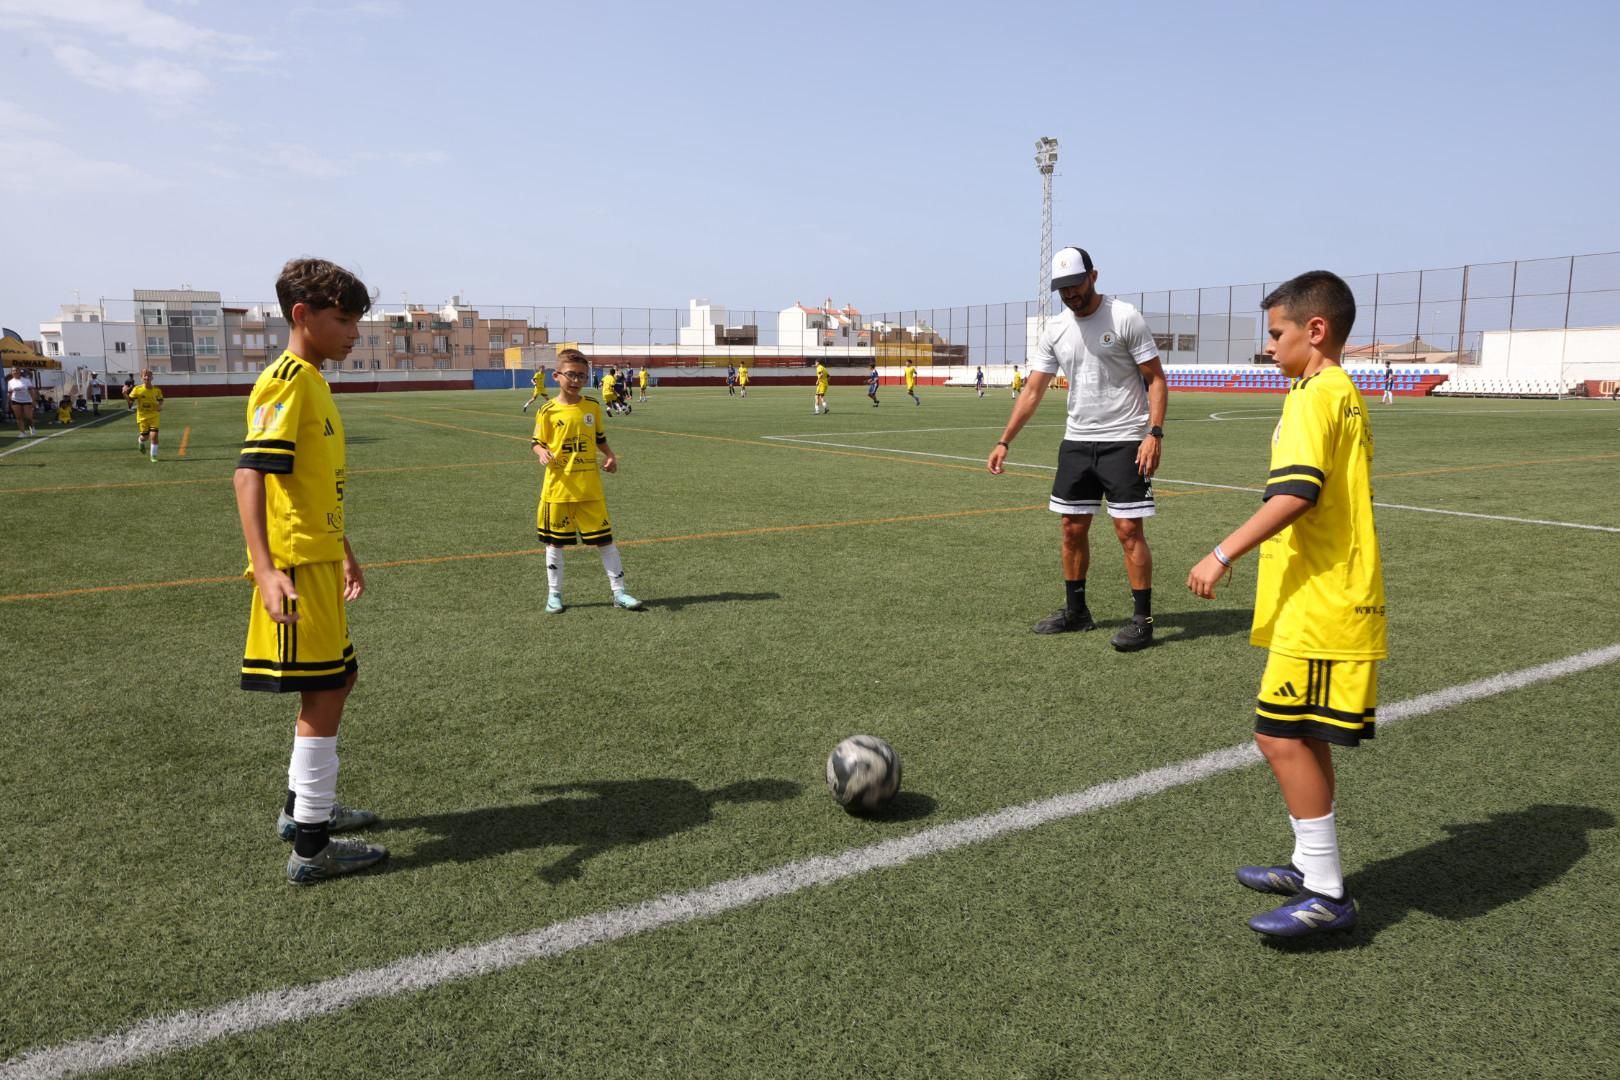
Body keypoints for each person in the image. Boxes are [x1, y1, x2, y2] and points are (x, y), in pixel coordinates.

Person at [1187, 270, 1384, 938]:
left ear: (1316, 330)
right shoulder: (1335, 390)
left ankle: (1327, 894)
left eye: (1277, 333)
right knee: (1299, 733)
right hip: (1317, 597)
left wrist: (1221, 552)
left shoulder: (1314, 395)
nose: (1269, 347)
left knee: (1276, 735)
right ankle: (1309, 866)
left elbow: (1296, 493)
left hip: (1326, 602)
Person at [234, 257, 386, 885]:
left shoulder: (316, 380)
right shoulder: (287, 380)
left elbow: (310, 482)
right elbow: (250, 474)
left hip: (320, 558)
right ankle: (312, 848)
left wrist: (343, 545)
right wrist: (268, 571)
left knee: (339, 681)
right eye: (344, 319)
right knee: (322, 693)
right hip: (295, 568)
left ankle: (304, 811)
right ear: (303, 316)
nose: (355, 333)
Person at [987, 246, 1168, 652]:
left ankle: (1143, 620)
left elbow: (1155, 379)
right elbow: (1033, 389)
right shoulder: (1055, 329)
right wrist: (1004, 441)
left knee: (1128, 530)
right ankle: (1076, 611)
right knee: (1071, 528)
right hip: (1077, 442)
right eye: (1062, 289)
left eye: (1075, 285)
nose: (1070, 295)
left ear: (1094, 276)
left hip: (1125, 439)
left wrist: (1154, 433)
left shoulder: (1125, 317)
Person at [533, 348, 645, 614]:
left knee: (605, 541)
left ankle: (619, 593)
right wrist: (542, 453)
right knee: (555, 543)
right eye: (571, 375)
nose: (576, 381)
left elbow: (599, 438)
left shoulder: (592, 407)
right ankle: (554, 595)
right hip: (558, 489)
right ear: (557, 375)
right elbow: (536, 442)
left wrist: (610, 456)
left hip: (590, 488)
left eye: (582, 376)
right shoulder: (547, 411)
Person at [127, 369, 164, 462]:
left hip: (154, 415)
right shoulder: (137, 389)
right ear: (142, 378)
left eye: (149, 376)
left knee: (154, 435)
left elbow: (161, 400)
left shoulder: (157, 390)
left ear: (152, 377)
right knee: (145, 437)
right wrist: (124, 394)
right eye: (145, 376)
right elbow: (130, 402)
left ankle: (153, 456)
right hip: (142, 417)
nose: (147, 377)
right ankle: (140, 441)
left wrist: (159, 406)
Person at [6, 368, 36, 437]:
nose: (15, 372)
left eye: (16, 370)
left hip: (27, 400)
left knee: (28, 417)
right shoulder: (10, 382)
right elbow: (10, 393)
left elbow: (31, 391)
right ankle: (22, 433)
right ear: (11, 373)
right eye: (13, 371)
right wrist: (9, 402)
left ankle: (32, 427)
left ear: (20, 372)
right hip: (15, 400)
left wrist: (33, 401)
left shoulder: (26, 380)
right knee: (19, 417)